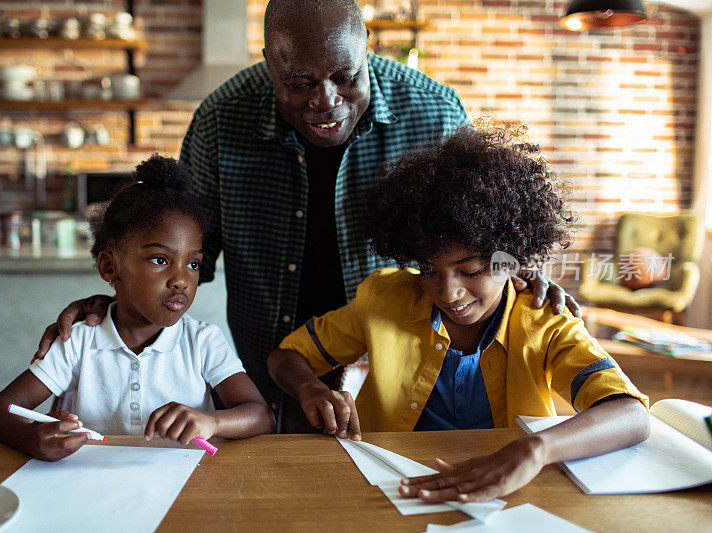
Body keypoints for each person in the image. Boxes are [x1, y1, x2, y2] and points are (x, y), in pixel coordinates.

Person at [32, 0, 579, 428]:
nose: (326, 101)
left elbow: (479, 229)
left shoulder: (433, 111)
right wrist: (119, 297)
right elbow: (181, 255)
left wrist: (525, 271)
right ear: (270, 64)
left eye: (345, 76)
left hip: (396, 379)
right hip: (270, 370)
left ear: (367, 47)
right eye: (299, 84)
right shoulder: (222, 121)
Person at [267, 125, 650, 501]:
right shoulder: (384, 299)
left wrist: (534, 450)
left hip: (513, 494)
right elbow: (286, 355)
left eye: (470, 271)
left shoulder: (543, 317)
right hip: (387, 485)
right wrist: (310, 387)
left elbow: (630, 415)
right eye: (430, 270)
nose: (448, 292)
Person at [0, 155, 274, 461]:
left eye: (193, 264)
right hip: (94, 490)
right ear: (110, 267)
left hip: (184, 491)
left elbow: (261, 416)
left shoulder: (202, 342)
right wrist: (31, 439)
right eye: (160, 260)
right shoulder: (79, 341)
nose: (181, 280)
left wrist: (211, 421)